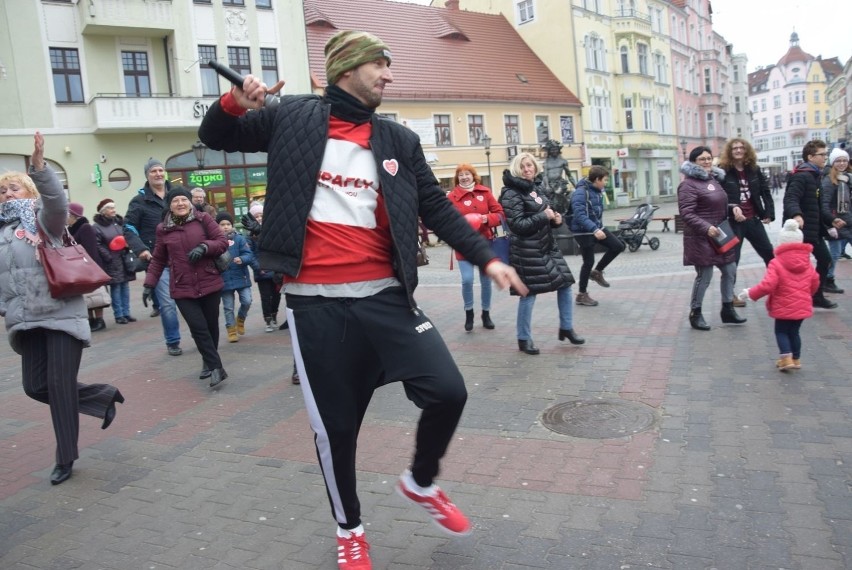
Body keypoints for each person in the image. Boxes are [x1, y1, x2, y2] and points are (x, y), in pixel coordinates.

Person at [198, 29, 526, 569]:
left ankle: (420, 483)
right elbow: (217, 135)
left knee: (448, 391)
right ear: (348, 68)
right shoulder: (291, 117)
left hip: (386, 297)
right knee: (337, 429)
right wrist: (236, 102)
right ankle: (349, 527)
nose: (389, 74)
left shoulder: (397, 140)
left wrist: (486, 257)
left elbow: (437, 210)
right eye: (380, 64)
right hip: (316, 305)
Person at [0, 132, 124, 485]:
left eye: (15, 188)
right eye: (3, 190)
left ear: (29, 192)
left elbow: (56, 201)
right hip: (24, 321)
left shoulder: (43, 220)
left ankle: (65, 457)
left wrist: (39, 167)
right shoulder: (1, 232)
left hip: (60, 315)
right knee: (35, 386)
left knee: (58, 385)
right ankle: (102, 396)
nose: (8, 194)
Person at [499, 151, 585, 355]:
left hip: (547, 247)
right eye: (523, 166)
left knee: (565, 284)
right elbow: (517, 225)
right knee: (528, 294)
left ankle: (566, 327)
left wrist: (556, 220)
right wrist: (542, 216)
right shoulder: (511, 193)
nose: (527, 169)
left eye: (530, 165)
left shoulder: (537, 188)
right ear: (516, 169)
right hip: (526, 251)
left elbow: (549, 213)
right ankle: (523, 338)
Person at [143, 186, 228, 387]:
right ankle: (217, 367)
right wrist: (149, 284)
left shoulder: (203, 219)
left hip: (209, 281)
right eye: (175, 201)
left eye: (183, 200)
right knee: (198, 328)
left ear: (190, 202)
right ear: (169, 205)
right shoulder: (163, 229)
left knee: (211, 326)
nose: (180, 203)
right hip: (182, 286)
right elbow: (158, 260)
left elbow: (222, 241)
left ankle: (208, 362)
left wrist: (204, 247)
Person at [678, 146, 745, 330]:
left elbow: (717, 204)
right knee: (704, 276)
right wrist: (706, 228)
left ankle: (727, 309)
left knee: (730, 270)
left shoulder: (713, 179)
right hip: (701, 237)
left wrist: (733, 208)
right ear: (693, 162)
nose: (707, 161)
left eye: (709, 158)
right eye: (702, 159)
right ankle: (696, 312)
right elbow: (686, 213)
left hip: (720, 234)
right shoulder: (688, 184)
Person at [738, 220, 819, 371]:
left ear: (781, 243)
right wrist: (808, 295)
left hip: (783, 305)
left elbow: (768, 285)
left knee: (781, 331)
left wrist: (750, 293)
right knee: (794, 332)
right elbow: (815, 282)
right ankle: (796, 359)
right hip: (802, 304)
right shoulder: (807, 262)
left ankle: (785, 358)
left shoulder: (776, 263)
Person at [124, 158, 184, 354]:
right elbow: (129, 227)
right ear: (147, 176)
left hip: (184, 258)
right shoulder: (139, 201)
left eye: (161, 170)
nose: (158, 174)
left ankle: (202, 335)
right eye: (153, 171)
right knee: (167, 303)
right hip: (158, 260)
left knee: (192, 300)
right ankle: (173, 341)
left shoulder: (177, 196)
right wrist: (141, 249)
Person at [446, 163, 504, 331]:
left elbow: (500, 213)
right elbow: (446, 218)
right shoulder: (452, 197)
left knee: (486, 280)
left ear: (473, 176)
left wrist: (487, 218)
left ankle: (486, 313)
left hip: (485, 242)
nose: (464, 177)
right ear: (458, 178)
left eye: (467, 174)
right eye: (461, 175)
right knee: (467, 280)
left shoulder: (484, 192)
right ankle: (469, 313)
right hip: (463, 244)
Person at [718, 138, 775, 307]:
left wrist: (768, 213)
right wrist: (732, 209)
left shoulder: (754, 170)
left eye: (741, 148)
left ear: (746, 150)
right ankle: (730, 295)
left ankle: (777, 285)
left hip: (753, 219)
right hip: (734, 222)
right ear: (730, 151)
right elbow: (719, 197)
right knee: (733, 259)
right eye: (734, 148)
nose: (738, 150)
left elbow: (765, 192)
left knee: (769, 254)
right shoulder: (723, 171)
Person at [783, 139, 837, 309]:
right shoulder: (802, 176)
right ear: (810, 157)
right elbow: (791, 198)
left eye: (826, 154)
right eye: (822, 155)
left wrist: (831, 220)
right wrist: (797, 215)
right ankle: (794, 299)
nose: (825, 158)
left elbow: (818, 206)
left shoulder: (815, 175)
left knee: (825, 260)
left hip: (814, 230)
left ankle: (816, 295)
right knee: (798, 268)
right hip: (802, 231)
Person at [569, 165, 625, 306]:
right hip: (584, 231)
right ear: (597, 179)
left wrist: (598, 227)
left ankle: (597, 272)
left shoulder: (597, 191)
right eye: (605, 180)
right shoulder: (580, 193)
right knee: (588, 262)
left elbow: (596, 212)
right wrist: (594, 229)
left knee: (618, 246)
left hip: (596, 227)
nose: (606, 183)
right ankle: (581, 295)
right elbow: (579, 215)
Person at [93, 199, 137, 326]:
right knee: (116, 287)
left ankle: (126, 313)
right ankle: (119, 314)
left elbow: (127, 235)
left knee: (125, 286)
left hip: (123, 258)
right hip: (111, 260)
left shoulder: (119, 222)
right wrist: (108, 256)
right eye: (110, 208)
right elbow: (98, 244)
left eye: (114, 207)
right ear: (103, 211)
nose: (114, 210)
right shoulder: (97, 227)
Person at [67, 202, 110, 331]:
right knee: (86, 296)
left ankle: (99, 320)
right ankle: (91, 320)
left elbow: (91, 250)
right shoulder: (70, 229)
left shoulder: (85, 227)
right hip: (79, 267)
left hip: (90, 266)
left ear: (74, 215)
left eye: (67, 214)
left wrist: (89, 266)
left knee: (95, 295)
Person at [242, 203, 283, 332]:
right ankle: (268, 319)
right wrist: (258, 268)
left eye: (261, 215)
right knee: (265, 297)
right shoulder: (249, 237)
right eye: (256, 216)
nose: (259, 218)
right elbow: (251, 254)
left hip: (275, 270)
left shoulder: (273, 231)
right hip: (262, 272)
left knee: (277, 295)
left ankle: (274, 315)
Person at [216, 211, 254, 343]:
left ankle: (241, 318)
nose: (225, 227)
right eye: (222, 224)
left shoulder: (239, 239)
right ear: (217, 226)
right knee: (228, 307)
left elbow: (249, 254)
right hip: (224, 279)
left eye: (228, 224)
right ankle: (231, 330)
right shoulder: (215, 241)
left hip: (241, 276)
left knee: (247, 300)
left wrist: (242, 259)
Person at [819, 148, 851, 295]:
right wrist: (829, 223)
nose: (842, 163)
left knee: (835, 253)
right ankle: (826, 280)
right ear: (832, 163)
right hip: (836, 222)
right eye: (838, 161)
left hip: (848, 221)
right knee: (835, 253)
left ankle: (826, 280)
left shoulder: (847, 178)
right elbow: (823, 204)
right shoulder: (828, 180)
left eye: (844, 160)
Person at [541, 139, 575, 216]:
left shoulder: (563, 161)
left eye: (555, 149)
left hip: (559, 183)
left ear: (558, 150)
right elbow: (545, 175)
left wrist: (577, 186)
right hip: (549, 184)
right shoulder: (546, 162)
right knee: (546, 199)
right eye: (552, 150)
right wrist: (547, 186)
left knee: (558, 192)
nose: (554, 151)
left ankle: (563, 211)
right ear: (549, 151)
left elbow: (569, 175)